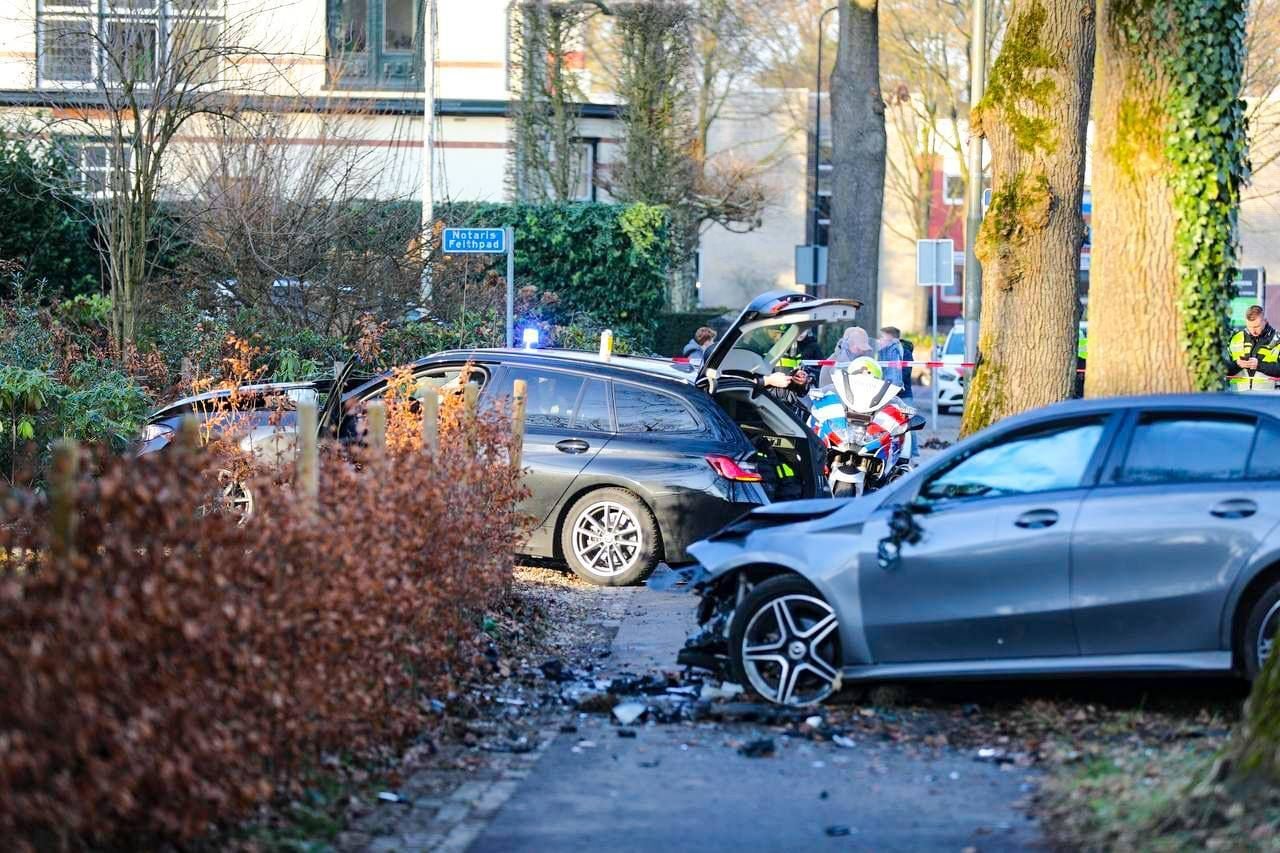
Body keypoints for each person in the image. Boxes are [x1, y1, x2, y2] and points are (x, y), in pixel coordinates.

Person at [1228, 305, 1280, 393]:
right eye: (1249, 326)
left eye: (1256, 326)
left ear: (1265, 321)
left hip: (1268, 397)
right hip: (1237, 396)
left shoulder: (1277, 339)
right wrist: (1237, 364)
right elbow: (1222, 368)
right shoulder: (1235, 338)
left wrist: (1259, 365)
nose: (1253, 331)